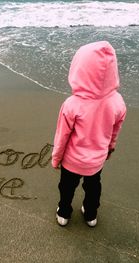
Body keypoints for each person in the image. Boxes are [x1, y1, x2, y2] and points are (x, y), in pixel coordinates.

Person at [52, 41, 126, 227]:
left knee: (67, 188)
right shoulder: (117, 102)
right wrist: (111, 148)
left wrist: (56, 158)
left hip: (72, 161)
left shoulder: (72, 104)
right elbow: (115, 130)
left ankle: (64, 212)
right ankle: (91, 214)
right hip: (97, 160)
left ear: (79, 70)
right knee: (93, 187)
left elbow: (62, 136)